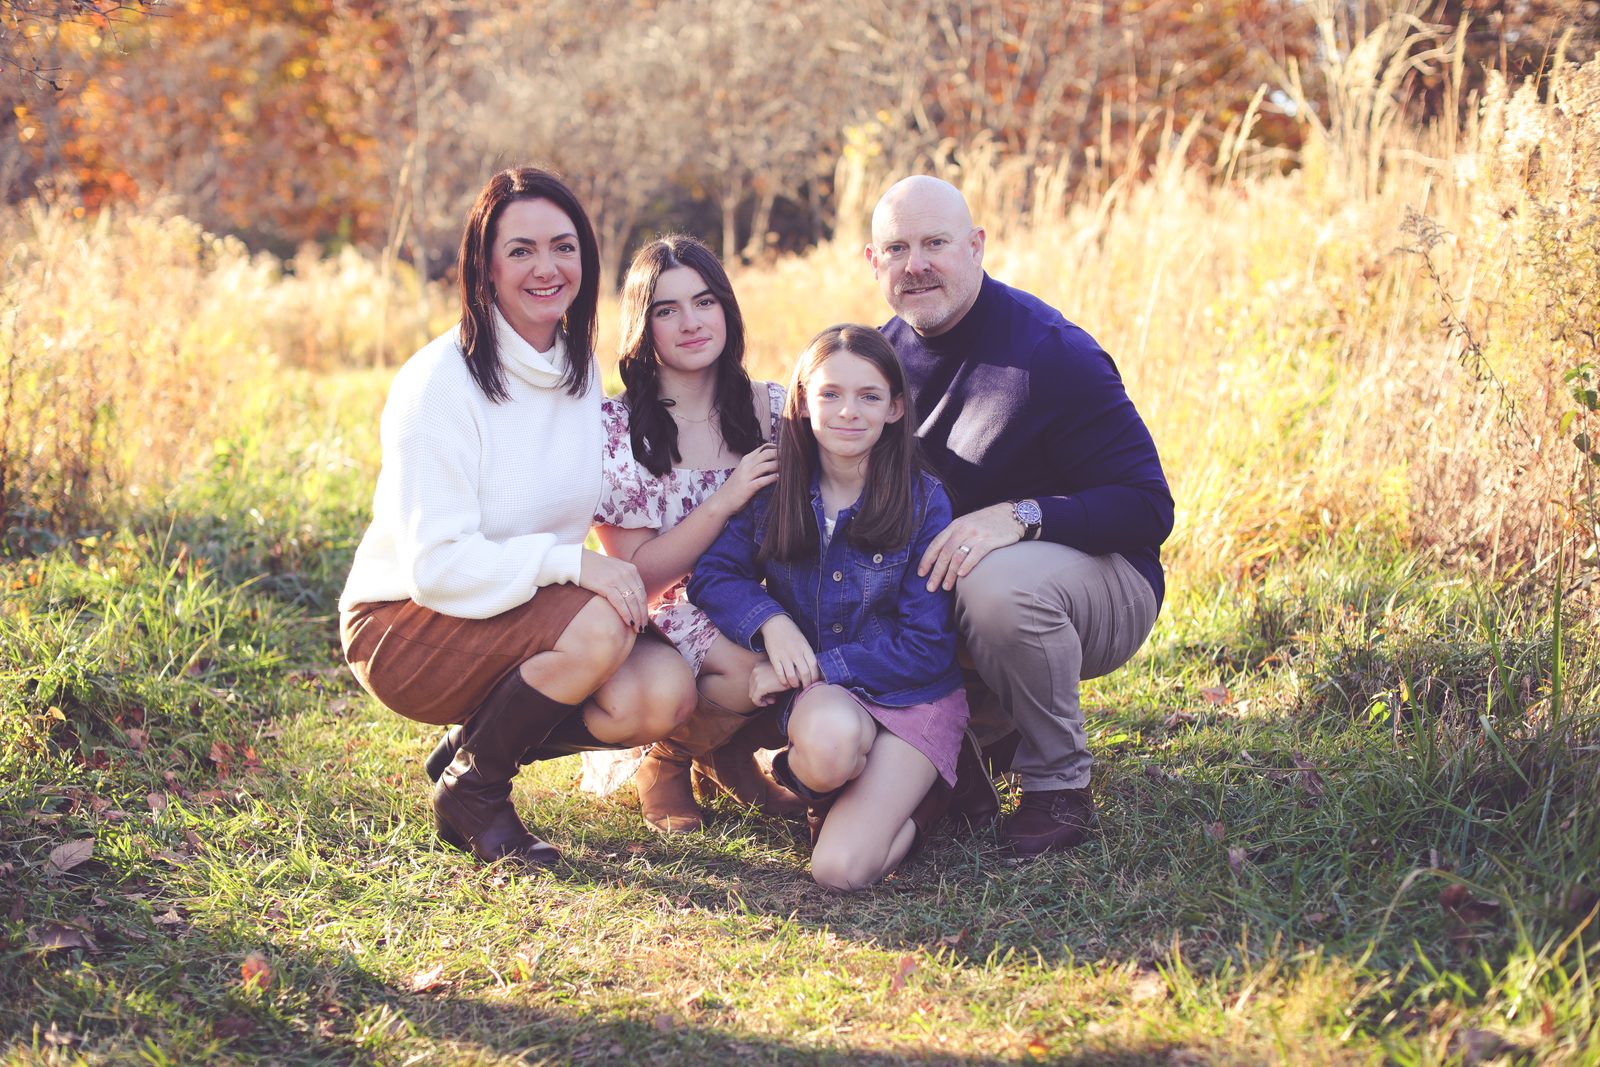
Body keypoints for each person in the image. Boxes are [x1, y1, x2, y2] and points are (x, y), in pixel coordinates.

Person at [338, 167, 697, 870]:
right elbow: (436, 567)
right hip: (403, 621)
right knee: (600, 620)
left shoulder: (575, 366)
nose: (547, 267)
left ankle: (469, 749)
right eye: (522, 250)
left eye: (564, 247)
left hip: (512, 607)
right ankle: (477, 789)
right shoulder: (437, 383)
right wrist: (572, 564)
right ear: (486, 264)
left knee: (662, 690)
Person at [864, 175, 1174, 859]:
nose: (916, 264)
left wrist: (1022, 515)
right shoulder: (874, 364)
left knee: (996, 584)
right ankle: (975, 738)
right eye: (898, 248)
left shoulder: (1050, 354)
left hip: (1097, 581)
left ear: (977, 246)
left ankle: (1058, 784)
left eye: (936, 243)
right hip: (950, 589)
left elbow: (1148, 508)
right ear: (873, 261)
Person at [688, 324, 968, 891]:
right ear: (803, 401)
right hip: (833, 707)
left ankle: (927, 802)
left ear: (894, 409)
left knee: (839, 871)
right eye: (830, 394)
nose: (848, 412)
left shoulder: (923, 500)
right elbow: (714, 574)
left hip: (913, 698)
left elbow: (926, 646)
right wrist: (772, 623)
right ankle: (834, 785)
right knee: (829, 744)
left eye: (869, 396)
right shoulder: (775, 488)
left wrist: (813, 664)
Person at [591, 234, 803, 833]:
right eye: (666, 309)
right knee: (749, 670)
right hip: (662, 611)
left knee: (803, 649)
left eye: (705, 301)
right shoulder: (616, 429)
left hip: (749, 593)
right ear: (643, 326)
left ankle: (727, 753)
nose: (691, 322)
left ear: (727, 310)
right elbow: (641, 577)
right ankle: (666, 760)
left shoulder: (771, 409)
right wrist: (728, 497)